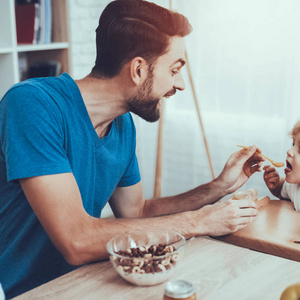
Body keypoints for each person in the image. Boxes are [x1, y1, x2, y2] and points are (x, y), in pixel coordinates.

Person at [0, 1, 263, 298]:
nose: (179, 85)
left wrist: (218, 187)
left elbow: (137, 212)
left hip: (89, 281)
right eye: (174, 70)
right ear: (138, 69)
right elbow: (76, 240)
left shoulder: (123, 125)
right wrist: (201, 221)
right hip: (26, 292)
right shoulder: (32, 106)